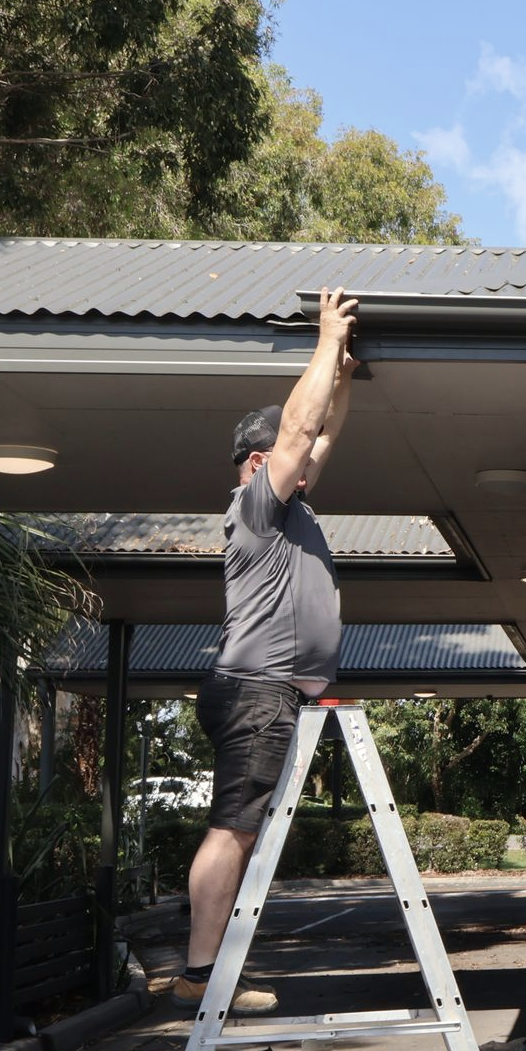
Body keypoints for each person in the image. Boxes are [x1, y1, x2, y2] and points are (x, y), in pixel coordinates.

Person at [172, 286, 360, 1012]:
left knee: (245, 831)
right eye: (288, 452)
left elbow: (323, 431)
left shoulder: (293, 510)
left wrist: (340, 366)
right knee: (234, 827)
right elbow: (299, 433)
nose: (306, 459)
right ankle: (199, 972)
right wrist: (322, 339)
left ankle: (211, 975)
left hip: (273, 693)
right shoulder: (255, 508)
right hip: (257, 691)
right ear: (257, 461)